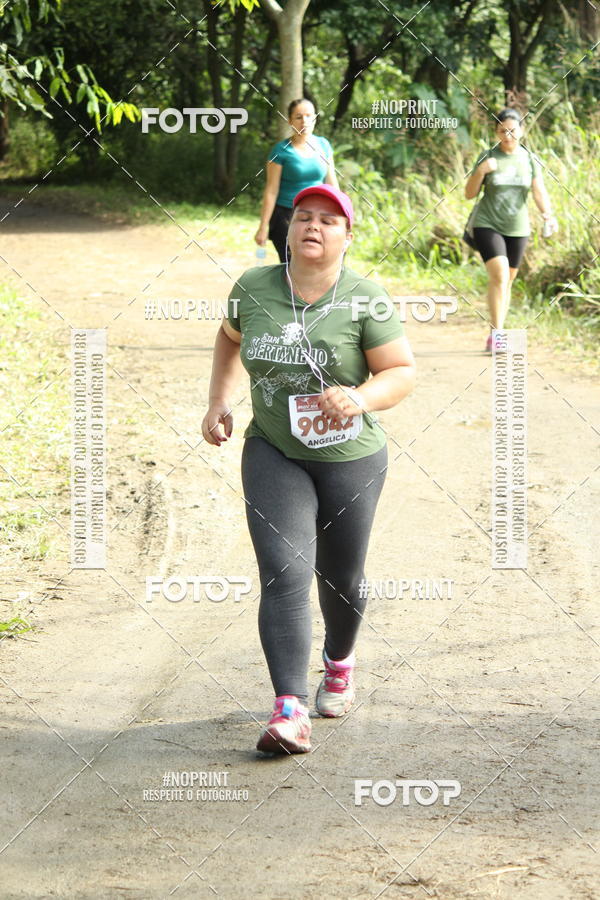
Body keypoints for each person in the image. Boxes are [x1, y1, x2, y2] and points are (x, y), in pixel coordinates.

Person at [202, 185, 416, 754]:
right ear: (288, 229)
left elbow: (400, 372)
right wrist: (218, 401)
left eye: (328, 220)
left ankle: (339, 659)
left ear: (347, 236)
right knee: (285, 570)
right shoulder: (253, 287)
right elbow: (228, 340)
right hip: (273, 448)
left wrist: (362, 398)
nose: (313, 227)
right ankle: (289, 708)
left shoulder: (366, 298)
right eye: (303, 217)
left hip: (350, 457)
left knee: (340, 578)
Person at [464, 108, 558, 352]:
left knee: (507, 282)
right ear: (496, 132)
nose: (507, 136)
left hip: (518, 227)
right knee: (500, 276)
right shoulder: (488, 156)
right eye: (502, 131)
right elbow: (469, 193)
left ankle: (496, 331)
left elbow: (539, 191)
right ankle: (498, 335)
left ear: (521, 131)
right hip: (487, 223)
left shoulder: (529, 159)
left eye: (512, 131)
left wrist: (548, 215)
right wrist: (481, 171)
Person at [254, 98, 338, 263]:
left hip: (317, 213)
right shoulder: (280, 151)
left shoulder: (324, 145)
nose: (304, 121)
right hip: (286, 215)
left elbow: (332, 184)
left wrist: (342, 215)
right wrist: (263, 226)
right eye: (298, 117)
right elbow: (271, 190)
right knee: (292, 265)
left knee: (319, 263)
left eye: (309, 116)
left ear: (315, 118)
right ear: (290, 121)